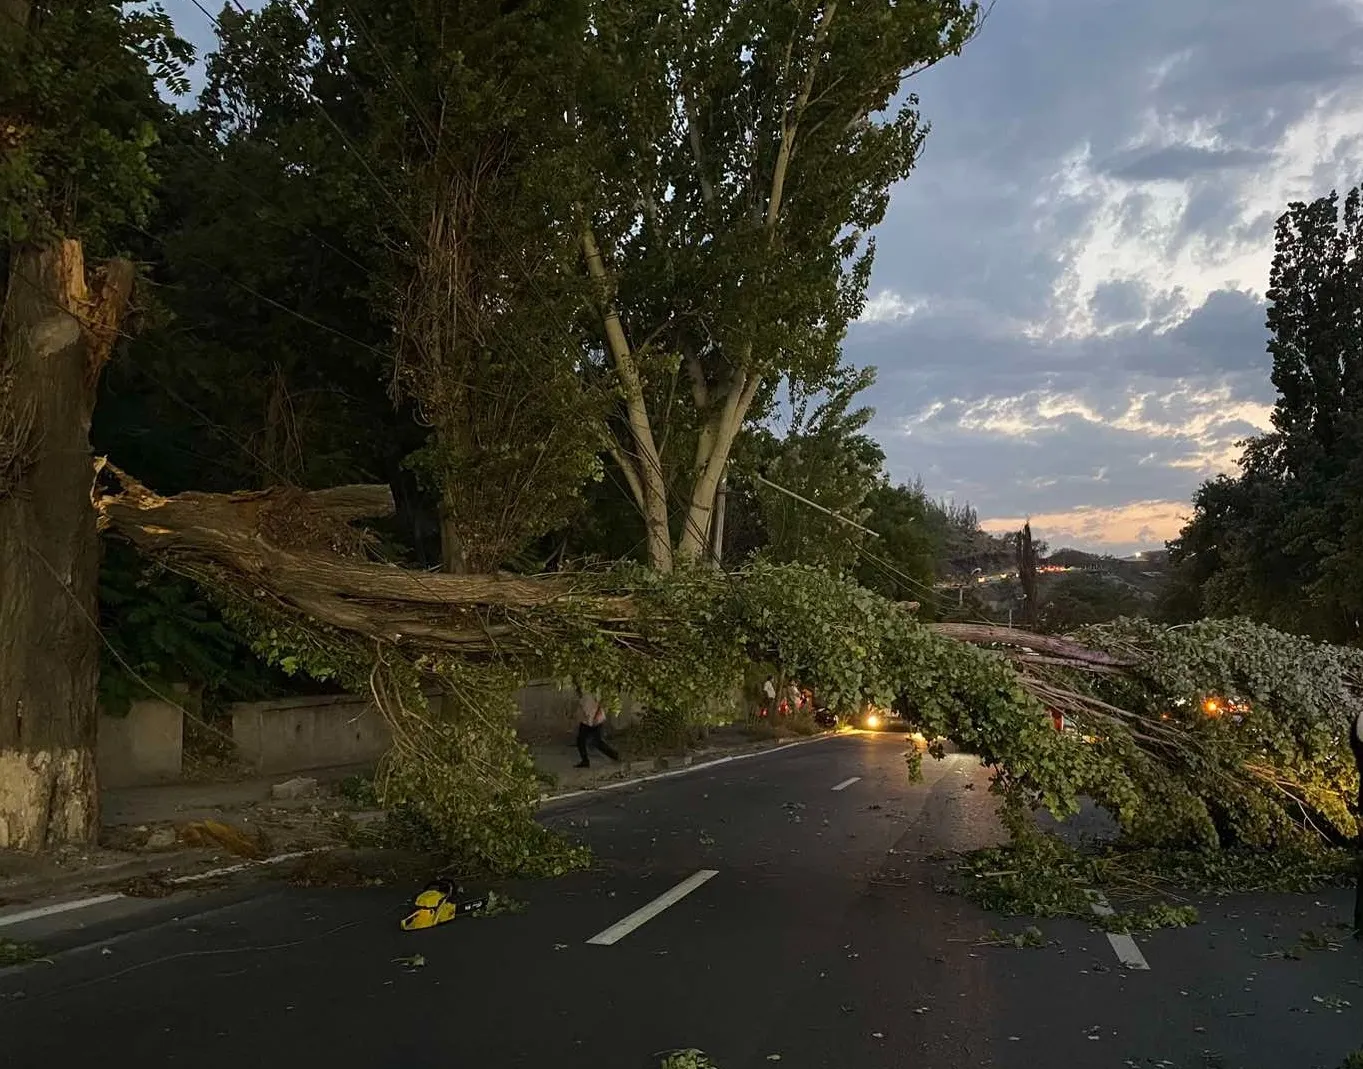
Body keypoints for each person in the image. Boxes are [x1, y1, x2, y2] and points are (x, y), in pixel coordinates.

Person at [574, 681, 620, 769]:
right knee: (582, 741)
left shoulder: (592, 691)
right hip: (587, 720)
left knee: (596, 742)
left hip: (594, 719)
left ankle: (614, 755)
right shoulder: (584, 694)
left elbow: (599, 704)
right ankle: (585, 761)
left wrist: (595, 717)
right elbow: (583, 708)